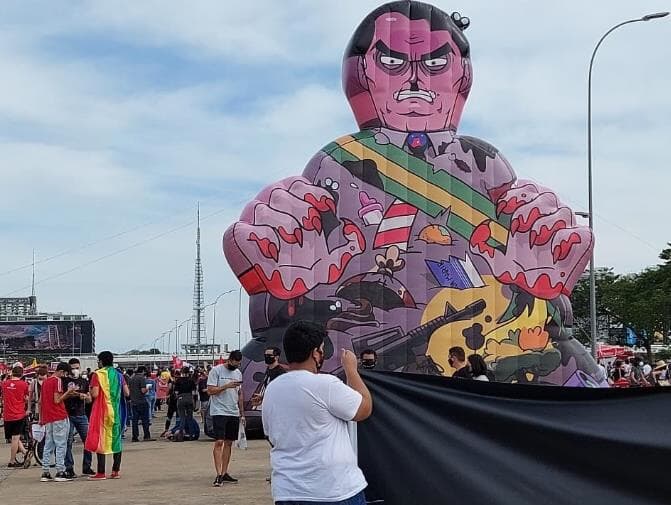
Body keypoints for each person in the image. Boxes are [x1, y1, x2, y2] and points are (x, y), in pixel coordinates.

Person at [262, 321, 372, 504]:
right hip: (333, 491)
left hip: (289, 491)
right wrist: (351, 370)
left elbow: (271, 436)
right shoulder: (325, 385)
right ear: (315, 353)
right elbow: (364, 408)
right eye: (322, 350)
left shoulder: (273, 390)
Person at [85, 351, 129, 480]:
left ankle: (101, 472)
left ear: (101, 361)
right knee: (116, 439)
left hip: (101, 412)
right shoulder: (119, 375)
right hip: (116, 411)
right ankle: (115, 471)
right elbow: (127, 393)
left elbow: (95, 394)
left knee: (101, 440)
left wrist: (88, 391)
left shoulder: (97, 375)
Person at [207, 350, 244, 487]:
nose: (236, 366)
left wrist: (242, 412)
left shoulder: (238, 373)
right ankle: (218, 473)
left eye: (239, 364)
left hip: (233, 411)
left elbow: (240, 393)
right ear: (229, 360)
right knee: (219, 441)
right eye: (235, 363)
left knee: (229, 442)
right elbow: (210, 390)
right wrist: (226, 386)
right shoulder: (216, 371)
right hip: (219, 411)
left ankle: (224, 471)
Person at [40, 362, 79, 482]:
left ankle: (45, 471)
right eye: (65, 373)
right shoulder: (57, 381)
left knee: (48, 444)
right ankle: (60, 471)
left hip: (48, 417)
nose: (65, 376)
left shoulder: (46, 381)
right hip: (59, 415)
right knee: (61, 444)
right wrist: (68, 392)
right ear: (62, 371)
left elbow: (42, 400)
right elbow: (57, 400)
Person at [63, 358, 93, 478]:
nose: (75, 370)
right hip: (67, 414)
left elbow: (90, 398)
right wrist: (73, 394)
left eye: (77, 368)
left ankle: (87, 467)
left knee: (88, 441)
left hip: (81, 414)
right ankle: (69, 468)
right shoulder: (64, 381)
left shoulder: (84, 381)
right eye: (73, 368)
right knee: (68, 442)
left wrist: (84, 396)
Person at [2, 365, 29, 468]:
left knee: (13, 438)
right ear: (22, 374)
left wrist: (7, 377)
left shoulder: (4, 384)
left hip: (7, 415)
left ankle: (25, 452)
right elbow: (27, 397)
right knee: (15, 438)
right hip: (18, 414)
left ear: (12, 373)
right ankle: (12, 461)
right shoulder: (24, 384)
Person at [128, 366, 153, 442]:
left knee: (135, 421)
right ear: (142, 371)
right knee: (145, 420)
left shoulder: (131, 379)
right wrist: (148, 388)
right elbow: (143, 391)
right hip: (142, 401)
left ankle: (135, 437)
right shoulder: (141, 378)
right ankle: (146, 436)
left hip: (133, 402)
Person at [174, 368, 196, 438]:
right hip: (189, 398)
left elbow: (176, 392)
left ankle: (180, 434)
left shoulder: (178, 380)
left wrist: (178, 398)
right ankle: (192, 434)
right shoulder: (191, 380)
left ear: (181, 372)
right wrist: (194, 401)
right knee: (190, 417)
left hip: (181, 398)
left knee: (182, 417)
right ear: (189, 373)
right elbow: (194, 393)